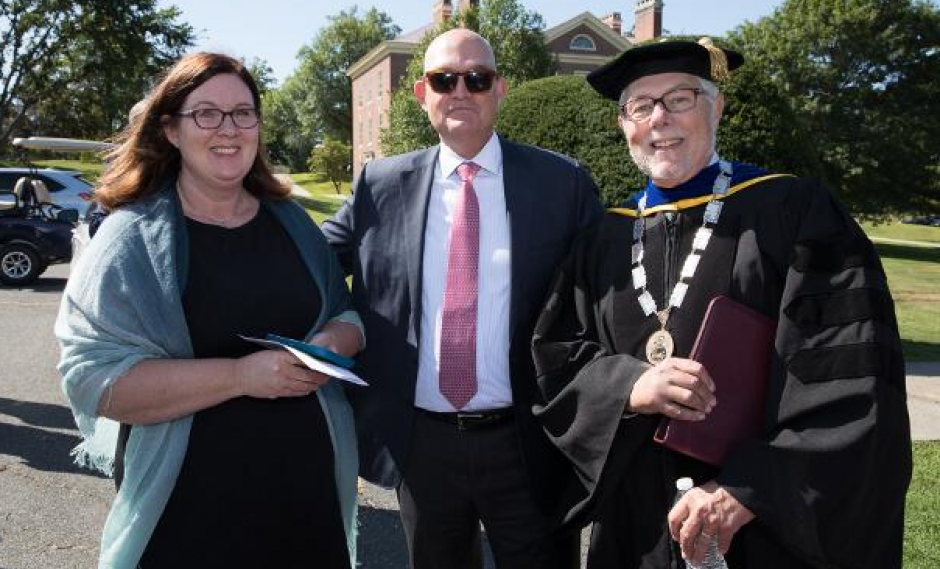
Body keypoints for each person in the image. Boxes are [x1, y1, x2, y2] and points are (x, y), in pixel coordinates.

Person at [531, 39, 912, 568]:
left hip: (759, 527)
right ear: (624, 125)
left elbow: (850, 377)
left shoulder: (792, 213)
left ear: (716, 106)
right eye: (640, 106)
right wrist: (627, 386)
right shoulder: (604, 238)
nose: (659, 118)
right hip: (636, 527)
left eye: (680, 99)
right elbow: (555, 356)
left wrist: (750, 490)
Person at [55, 52, 363, 569]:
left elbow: (347, 316)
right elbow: (92, 380)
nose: (229, 128)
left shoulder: (291, 222)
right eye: (206, 113)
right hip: (190, 514)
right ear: (171, 130)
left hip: (307, 504)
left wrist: (328, 346)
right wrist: (241, 376)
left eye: (244, 113)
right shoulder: (131, 238)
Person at [323, 28, 602, 569]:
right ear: (421, 93)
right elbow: (306, 265)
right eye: (443, 79)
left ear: (500, 88)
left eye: (476, 78)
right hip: (422, 447)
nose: (460, 91)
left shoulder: (561, 184)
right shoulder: (379, 186)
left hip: (528, 443)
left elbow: (606, 297)